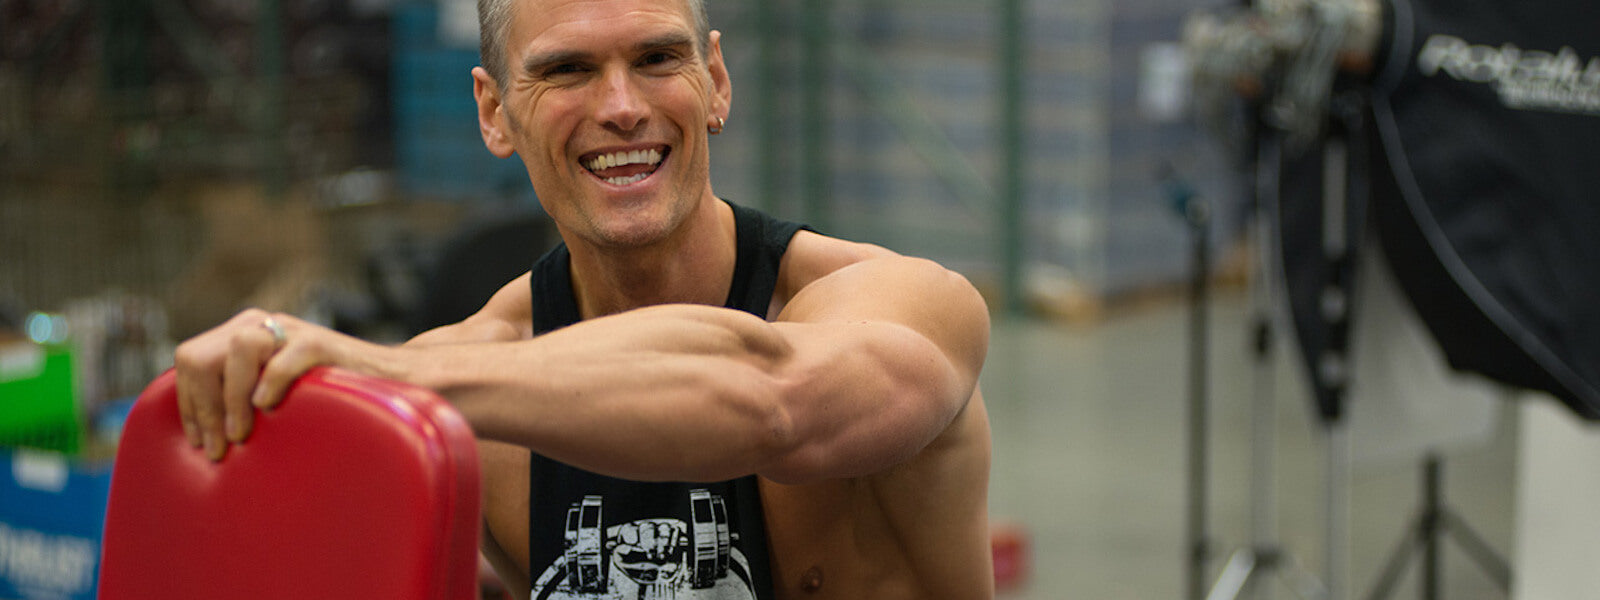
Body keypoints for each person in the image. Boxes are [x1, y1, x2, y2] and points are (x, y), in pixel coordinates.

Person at [171, 0, 993, 597]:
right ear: (495, 113)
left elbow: (770, 399)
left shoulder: (901, 304)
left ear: (715, 82)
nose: (623, 108)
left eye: (657, 59)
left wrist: (392, 380)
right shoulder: (464, 390)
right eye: (567, 70)